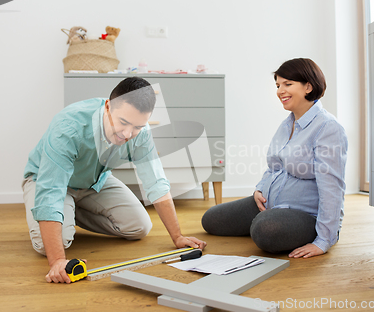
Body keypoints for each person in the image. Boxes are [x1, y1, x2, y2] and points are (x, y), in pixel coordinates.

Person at [22, 77, 206, 283]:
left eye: (137, 126)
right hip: (48, 181)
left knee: (140, 227)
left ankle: (70, 213)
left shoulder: (141, 133)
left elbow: (156, 182)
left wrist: (178, 236)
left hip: (93, 181)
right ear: (108, 107)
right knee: (50, 244)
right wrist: (57, 261)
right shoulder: (68, 127)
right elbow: (51, 192)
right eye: (123, 122)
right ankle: (64, 215)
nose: (127, 134)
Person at [202, 58, 347, 259]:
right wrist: (260, 188)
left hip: (305, 214)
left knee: (265, 230)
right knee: (211, 220)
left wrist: (324, 241)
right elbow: (273, 168)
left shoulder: (328, 128)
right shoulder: (287, 125)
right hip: (269, 203)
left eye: (288, 84)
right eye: (278, 85)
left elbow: (332, 186)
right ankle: (268, 219)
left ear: (308, 86)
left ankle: (308, 230)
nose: (280, 91)